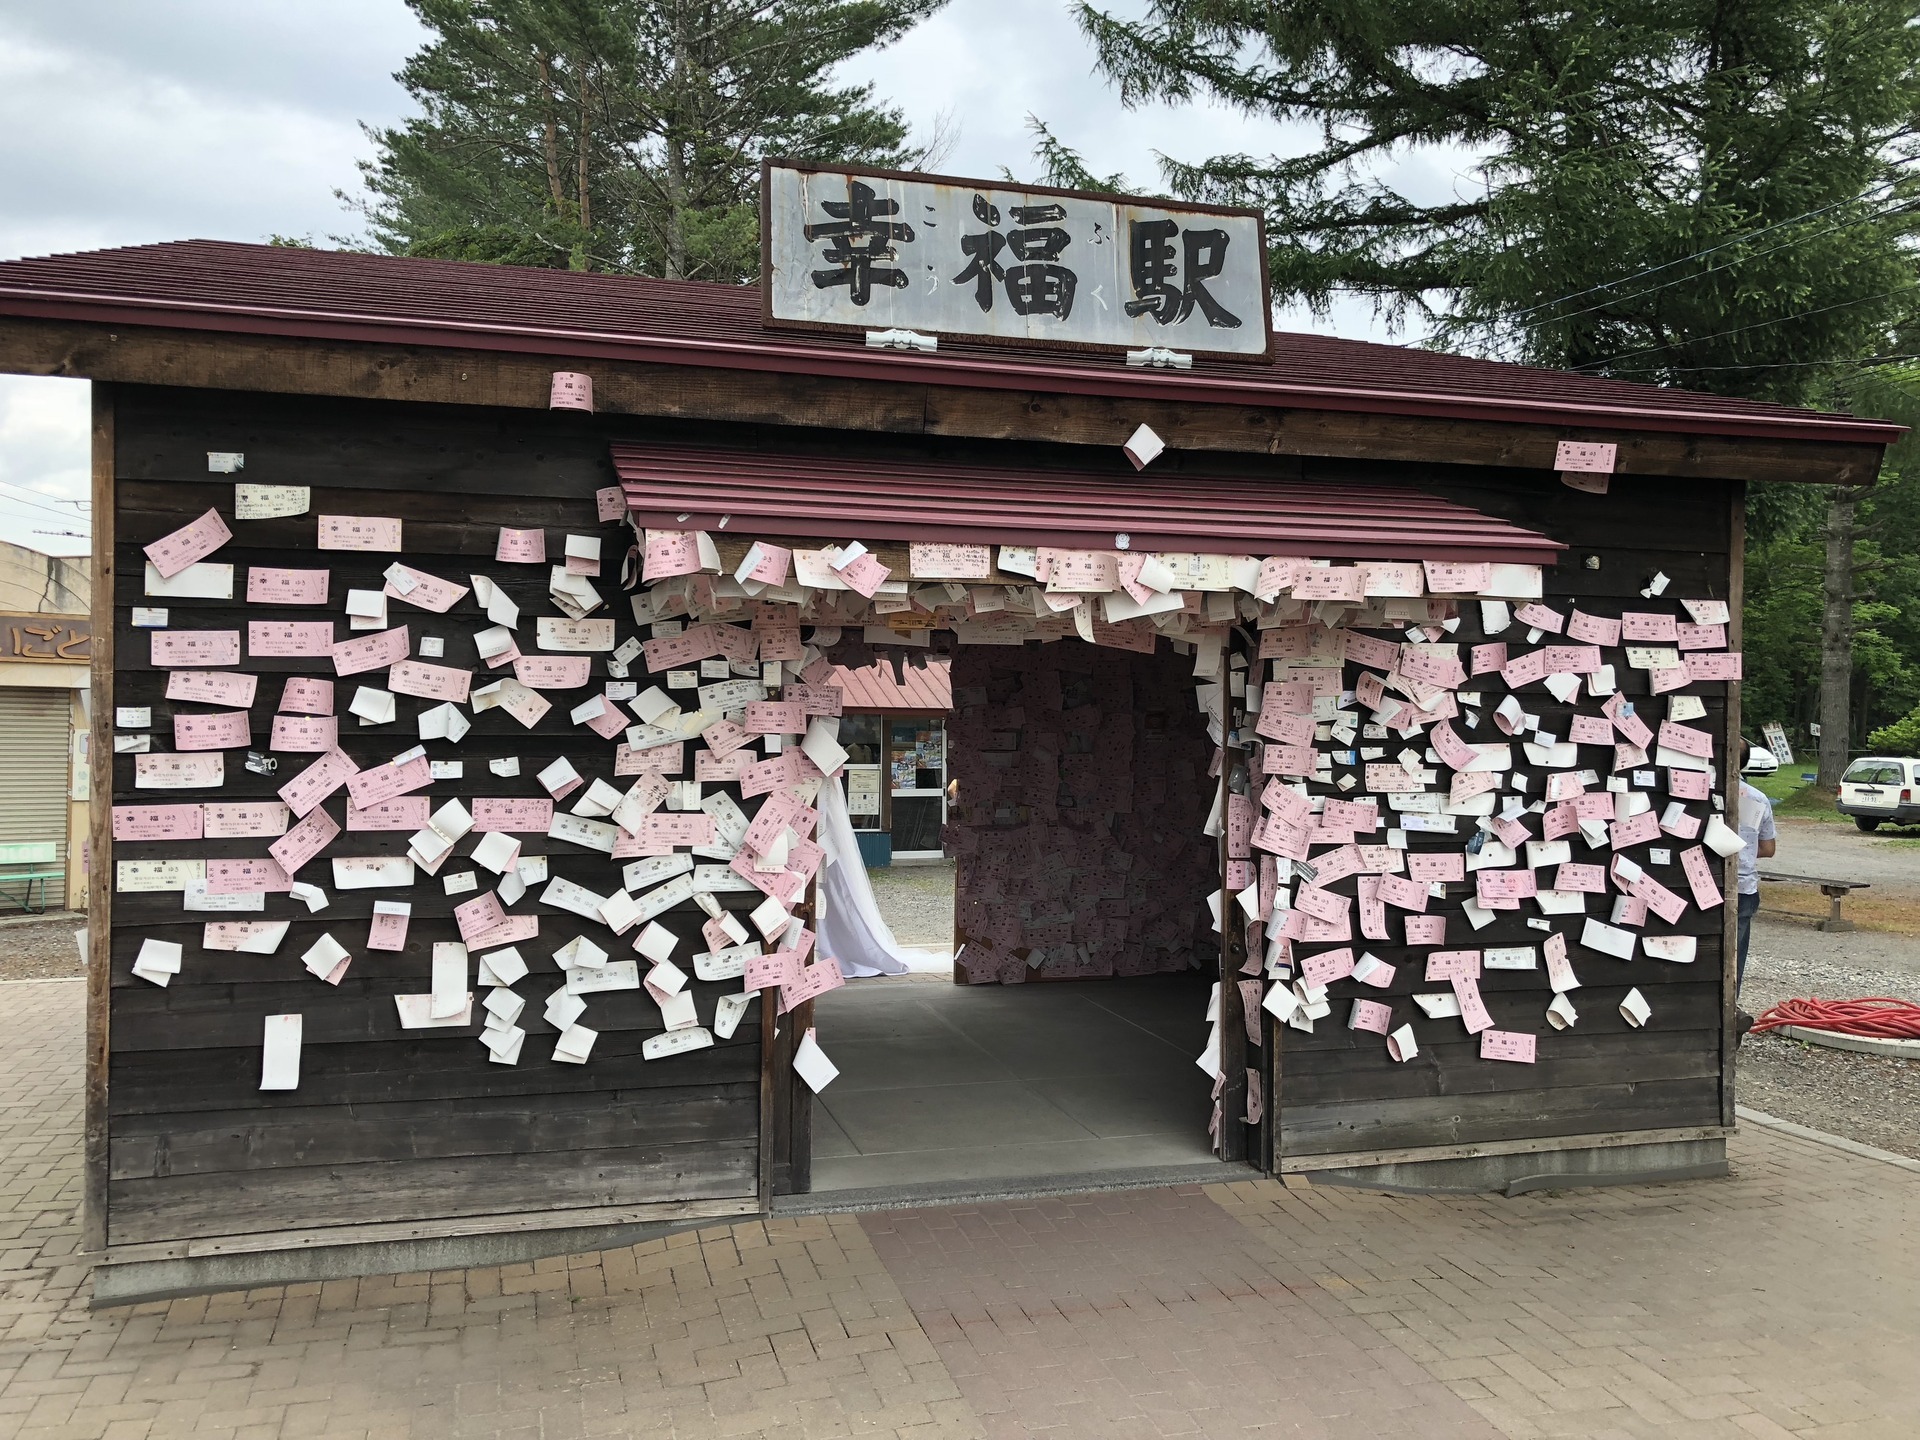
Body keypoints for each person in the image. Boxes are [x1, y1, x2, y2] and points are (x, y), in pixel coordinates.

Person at [1735, 740, 1778, 1029]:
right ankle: (1730, 1012)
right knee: (1734, 960)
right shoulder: (1757, 798)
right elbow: (1768, 847)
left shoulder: (1699, 793)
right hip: (1743, 886)